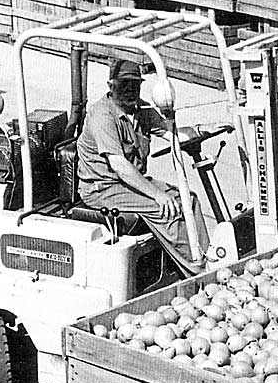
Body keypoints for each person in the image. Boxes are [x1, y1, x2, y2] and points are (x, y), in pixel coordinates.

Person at [75, 58, 208, 273]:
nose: (130, 90)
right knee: (166, 209)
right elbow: (119, 165)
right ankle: (197, 272)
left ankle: (208, 257)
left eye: (135, 85)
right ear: (111, 86)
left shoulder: (141, 109)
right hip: (102, 188)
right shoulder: (102, 115)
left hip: (127, 183)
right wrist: (158, 194)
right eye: (124, 84)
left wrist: (204, 131)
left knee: (188, 200)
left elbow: (172, 134)